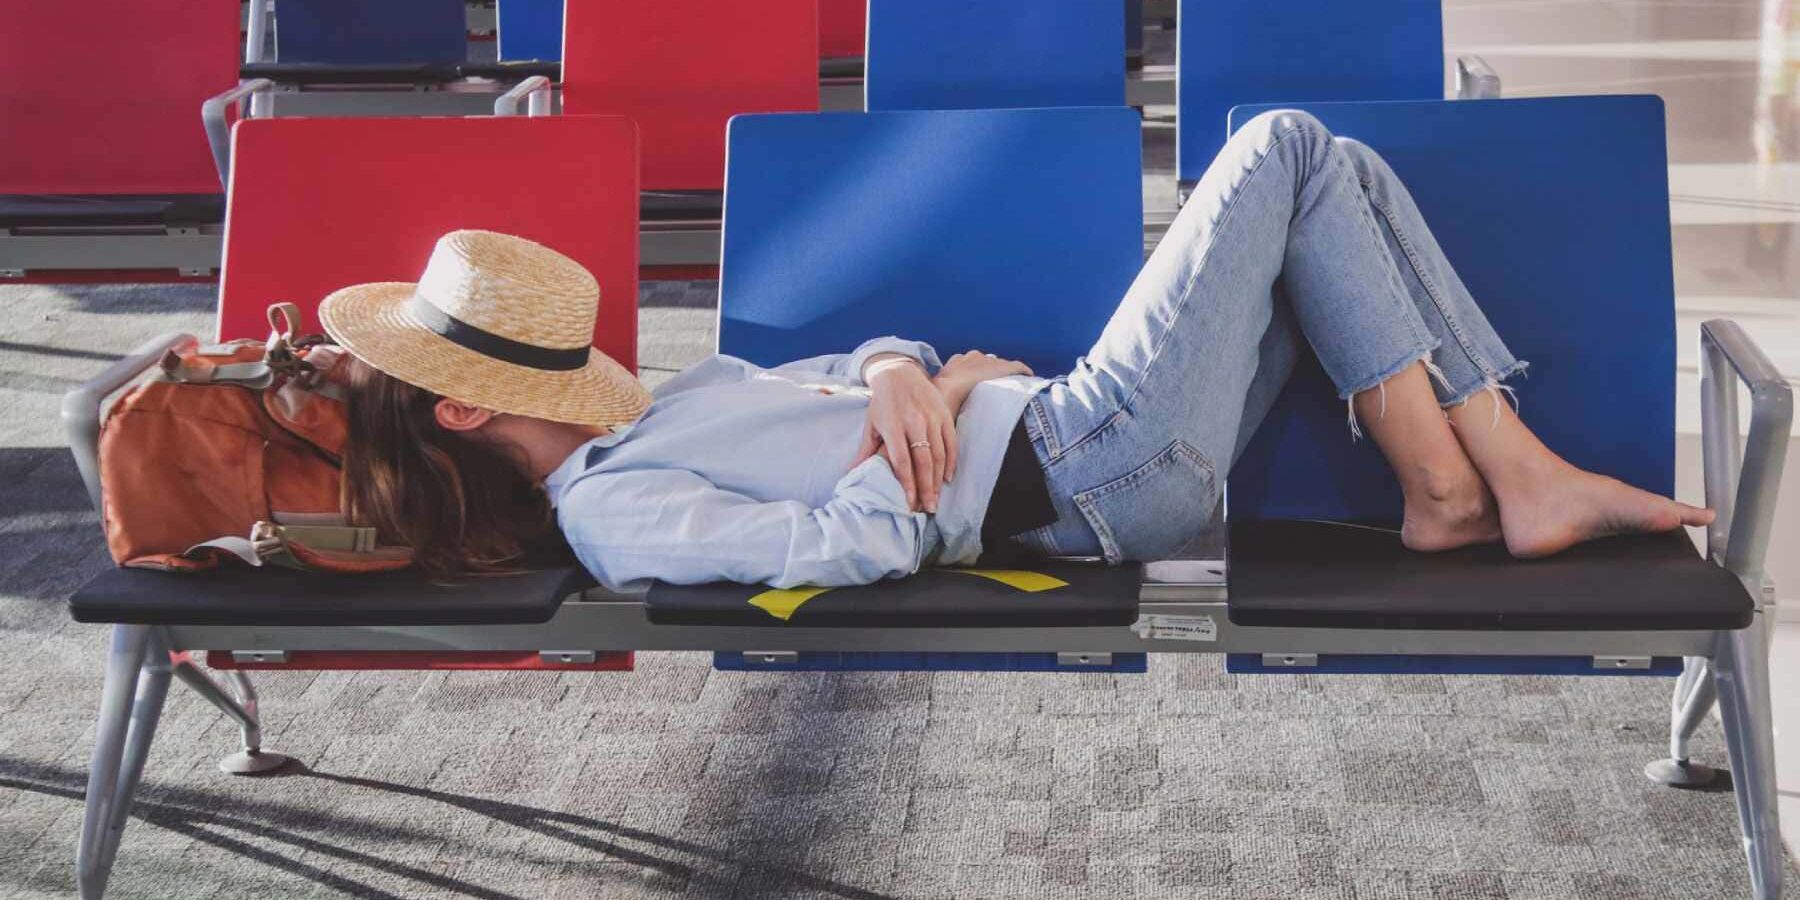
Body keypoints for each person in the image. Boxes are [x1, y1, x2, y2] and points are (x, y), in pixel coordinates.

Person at [319, 110, 1712, 589]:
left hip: (1066, 435)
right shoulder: (617, 515)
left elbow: (855, 371)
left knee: (1328, 163)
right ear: (461, 414)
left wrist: (897, 375)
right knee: (1279, 145)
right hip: (1078, 468)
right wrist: (934, 438)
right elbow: (840, 554)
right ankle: (1500, 474)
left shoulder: (653, 415)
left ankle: (1459, 492)